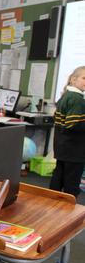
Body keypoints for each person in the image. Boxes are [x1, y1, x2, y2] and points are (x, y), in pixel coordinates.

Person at [50, 66, 85, 198]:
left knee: (58, 176)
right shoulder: (77, 100)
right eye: (84, 78)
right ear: (73, 79)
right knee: (72, 181)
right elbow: (73, 125)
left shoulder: (66, 96)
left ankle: (52, 201)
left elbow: (58, 119)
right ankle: (69, 208)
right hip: (74, 149)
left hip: (62, 146)